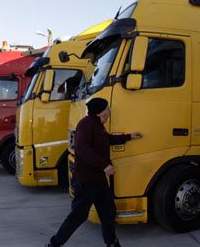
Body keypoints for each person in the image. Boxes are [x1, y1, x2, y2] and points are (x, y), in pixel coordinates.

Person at [47, 98, 142, 247]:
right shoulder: (85, 125)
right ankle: (54, 244)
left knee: (108, 212)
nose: (110, 111)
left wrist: (129, 136)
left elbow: (107, 139)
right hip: (85, 181)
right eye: (108, 108)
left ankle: (111, 243)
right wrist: (104, 165)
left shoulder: (98, 126)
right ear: (102, 112)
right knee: (78, 216)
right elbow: (83, 150)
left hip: (98, 180)